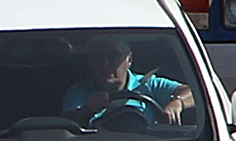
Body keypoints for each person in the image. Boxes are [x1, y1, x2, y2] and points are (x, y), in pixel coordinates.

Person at [62, 34, 197, 131]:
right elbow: (67, 127)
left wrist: (177, 101)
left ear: (129, 60)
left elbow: (195, 93)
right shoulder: (79, 91)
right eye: (98, 57)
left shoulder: (148, 84)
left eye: (113, 56)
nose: (105, 64)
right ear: (90, 62)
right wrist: (88, 109)